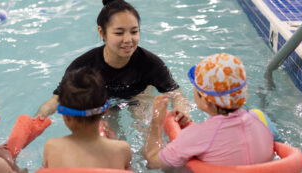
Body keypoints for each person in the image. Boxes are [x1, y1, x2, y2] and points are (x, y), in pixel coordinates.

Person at [35, 0, 191, 126]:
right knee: (110, 132)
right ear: (101, 32)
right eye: (119, 32)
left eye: (134, 31)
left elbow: (175, 93)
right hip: (104, 100)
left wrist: (182, 111)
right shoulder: (84, 65)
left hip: (139, 95)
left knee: (145, 123)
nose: (128, 39)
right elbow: (59, 97)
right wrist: (39, 117)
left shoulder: (150, 63)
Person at [143, 53, 278, 169]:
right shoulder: (262, 118)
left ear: (206, 102)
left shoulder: (196, 136)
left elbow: (152, 162)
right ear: (244, 93)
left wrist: (156, 121)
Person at [42, 67, 132, 169]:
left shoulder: (52, 147)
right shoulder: (121, 149)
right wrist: (114, 141)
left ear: (66, 116)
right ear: (105, 110)